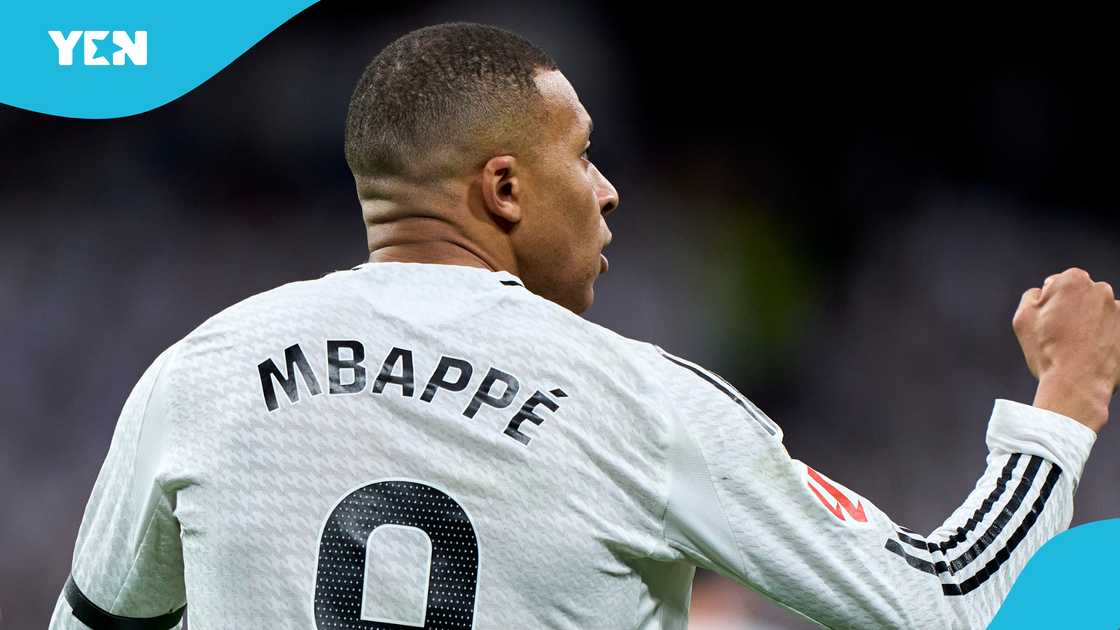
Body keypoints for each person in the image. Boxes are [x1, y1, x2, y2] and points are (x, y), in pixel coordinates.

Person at [50, 22, 1117, 630]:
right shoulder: (637, 403)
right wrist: (1065, 402)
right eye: (583, 156)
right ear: (505, 187)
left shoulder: (200, 373)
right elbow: (944, 601)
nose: (607, 192)